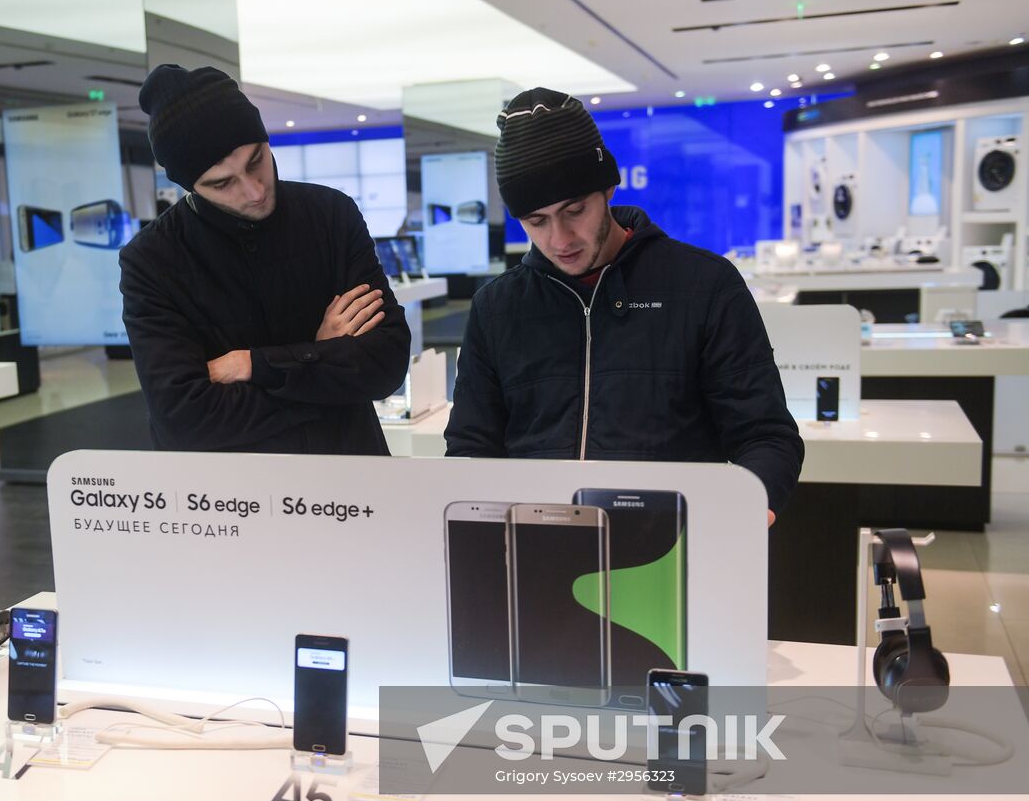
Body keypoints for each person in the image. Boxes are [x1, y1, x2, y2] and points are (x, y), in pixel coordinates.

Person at [445, 88, 803, 522]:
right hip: (537, 550)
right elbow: (472, 447)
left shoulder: (704, 285)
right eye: (536, 221)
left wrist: (751, 507)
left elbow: (765, 435)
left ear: (608, 188)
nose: (559, 239)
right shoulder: (496, 307)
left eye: (574, 210)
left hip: (672, 547)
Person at [120, 65, 411, 454]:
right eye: (223, 183)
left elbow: (386, 363)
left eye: (256, 159)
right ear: (190, 186)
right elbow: (185, 421)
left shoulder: (330, 215)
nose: (254, 191)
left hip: (351, 479)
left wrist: (251, 365)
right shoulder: (152, 261)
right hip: (237, 502)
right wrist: (317, 355)